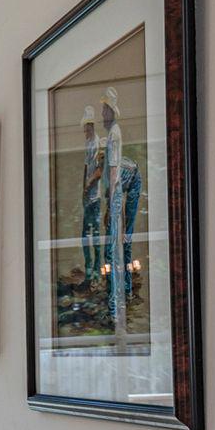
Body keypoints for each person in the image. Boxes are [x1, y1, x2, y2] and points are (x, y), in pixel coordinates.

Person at [100, 86, 142, 330]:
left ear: (111, 111)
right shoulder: (111, 136)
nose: (102, 114)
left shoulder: (114, 134)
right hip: (122, 183)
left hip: (124, 184)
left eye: (105, 109)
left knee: (115, 247)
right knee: (119, 244)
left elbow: (115, 174)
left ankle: (116, 307)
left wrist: (111, 206)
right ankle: (123, 294)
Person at [79, 106, 103, 284]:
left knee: (94, 235)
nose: (85, 131)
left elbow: (99, 170)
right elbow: (86, 167)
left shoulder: (98, 143)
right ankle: (89, 270)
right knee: (85, 236)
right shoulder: (88, 144)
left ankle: (96, 270)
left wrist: (88, 185)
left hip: (95, 197)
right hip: (88, 197)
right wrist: (83, 188)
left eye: (87, 128)